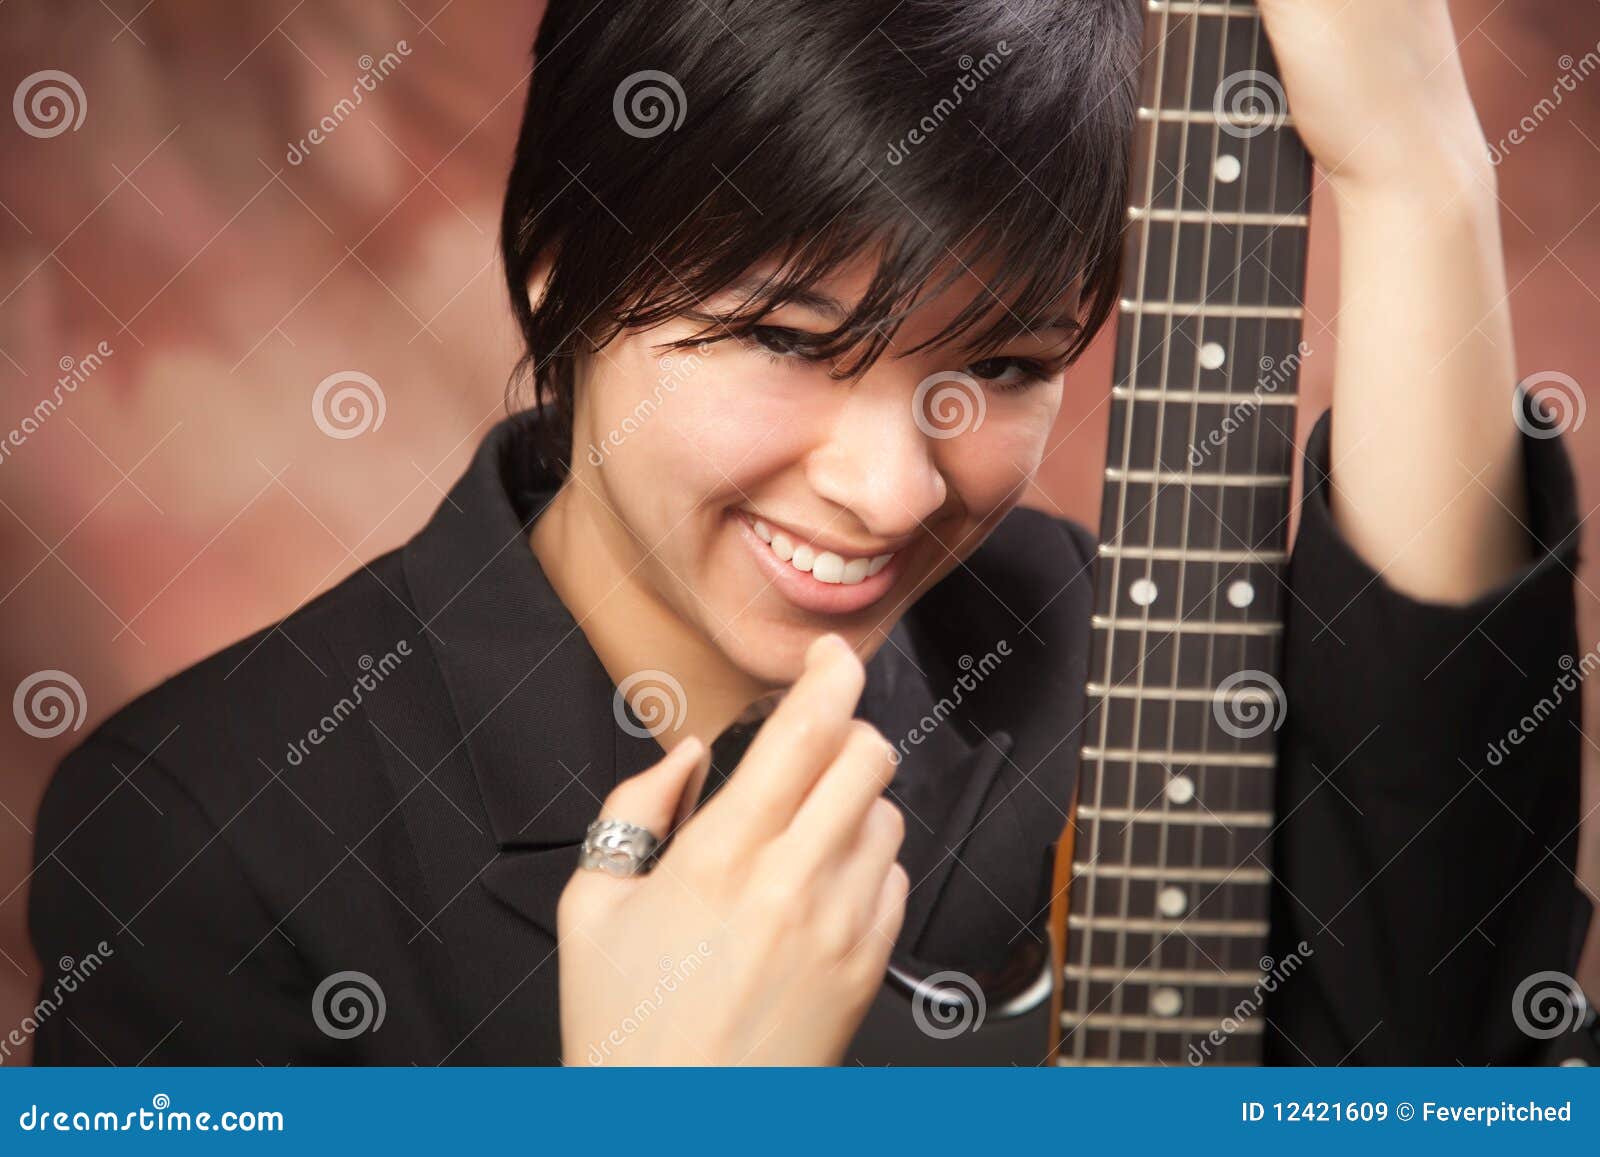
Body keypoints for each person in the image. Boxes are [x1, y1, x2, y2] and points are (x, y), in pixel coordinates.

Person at [29, 0, 1589, 1066]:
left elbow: (1449, 1016)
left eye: (1001, 367)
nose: (892, 489)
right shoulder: (199, 833)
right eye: (788, 336)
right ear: (565, 269)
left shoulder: (1121, 646)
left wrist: (1418, 177)